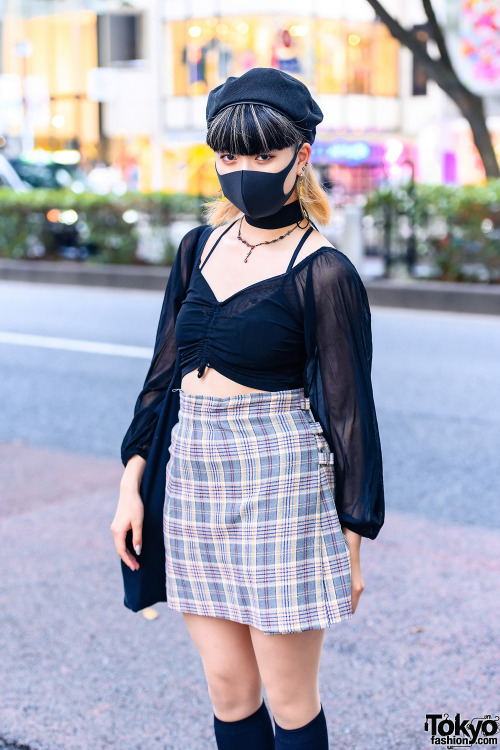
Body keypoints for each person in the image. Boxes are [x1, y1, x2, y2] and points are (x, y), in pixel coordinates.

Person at [111, 67, 385, 750]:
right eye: (229, 156)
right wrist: (132, 485)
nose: (243, 171)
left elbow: (352, 417)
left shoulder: (324, 271)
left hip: (281, 482)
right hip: (195, 476)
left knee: (290, 702)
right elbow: (161, 378)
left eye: (262, 155)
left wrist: (349, 546)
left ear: (301, 156)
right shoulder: (196, 250)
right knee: (229, 690)